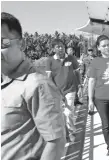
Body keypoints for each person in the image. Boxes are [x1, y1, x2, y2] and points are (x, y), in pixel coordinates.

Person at [1, 12, 66, 160]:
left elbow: (56, 142)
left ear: (21, 44)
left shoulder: (37, 85)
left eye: (2, 42)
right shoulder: (4, 81)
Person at [45, 39, 80, 141]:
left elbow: (77, 73)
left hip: (70, 89)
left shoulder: (71, 58)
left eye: (62, 46)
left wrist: (80, 86)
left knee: (68, 112)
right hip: (56, 91)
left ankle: (71, 132)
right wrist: (52, 91)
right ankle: (63, 131)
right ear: (53, 49)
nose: (61, 48)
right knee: (60, 113)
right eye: (57, 47)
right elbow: (48, 77)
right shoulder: (50, 61)